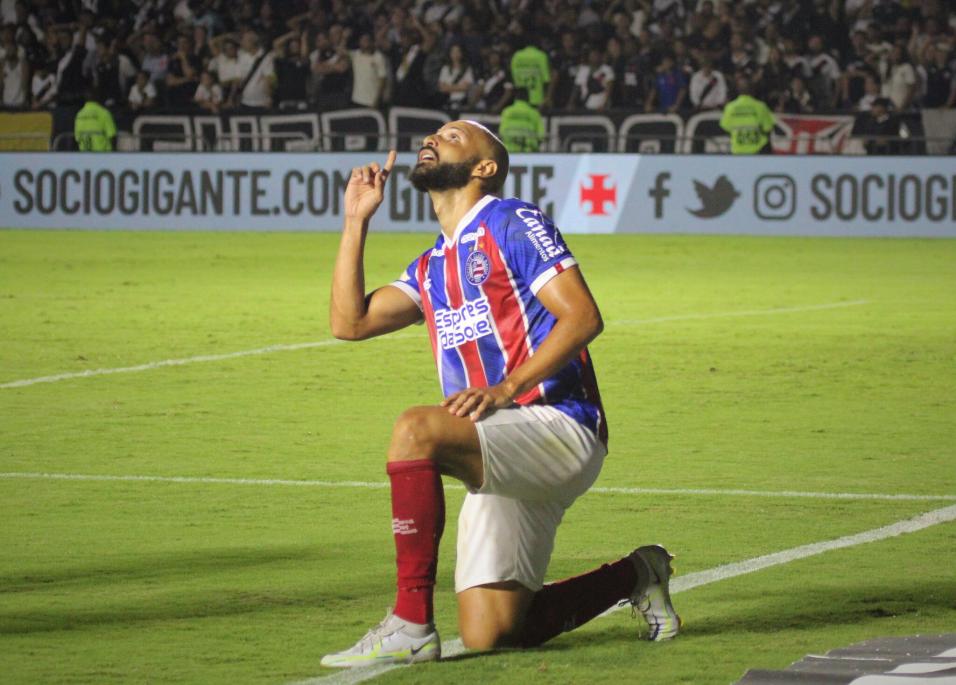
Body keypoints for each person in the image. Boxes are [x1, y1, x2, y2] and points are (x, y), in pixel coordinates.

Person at [321, 120, 681, 668]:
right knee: (494, 630)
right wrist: (355, 221)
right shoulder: (432, 263)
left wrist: (507, 388)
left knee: (415, 430)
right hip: (501, 443)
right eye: (435, 133)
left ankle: (410, 623)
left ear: (485, 168)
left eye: (455, 136)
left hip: (559, 424)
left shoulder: (511, 219)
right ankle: (638, 573)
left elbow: (582, 316)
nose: (435, 138)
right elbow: (350, 322)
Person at [719, 76, 775, 154]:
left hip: (737, 151)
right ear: (753, 89)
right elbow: (768, 128)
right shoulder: (760, 106)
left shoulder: (730, 107)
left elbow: (725, 127)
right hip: (758, 150)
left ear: (738, 90)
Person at [499, 87, 544, 152]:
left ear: (516, 98)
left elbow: (501, 132)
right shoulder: (534, 113)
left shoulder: (507, 111)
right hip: (529, 152)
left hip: (509, 152)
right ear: (528, 98)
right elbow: (541, 136)